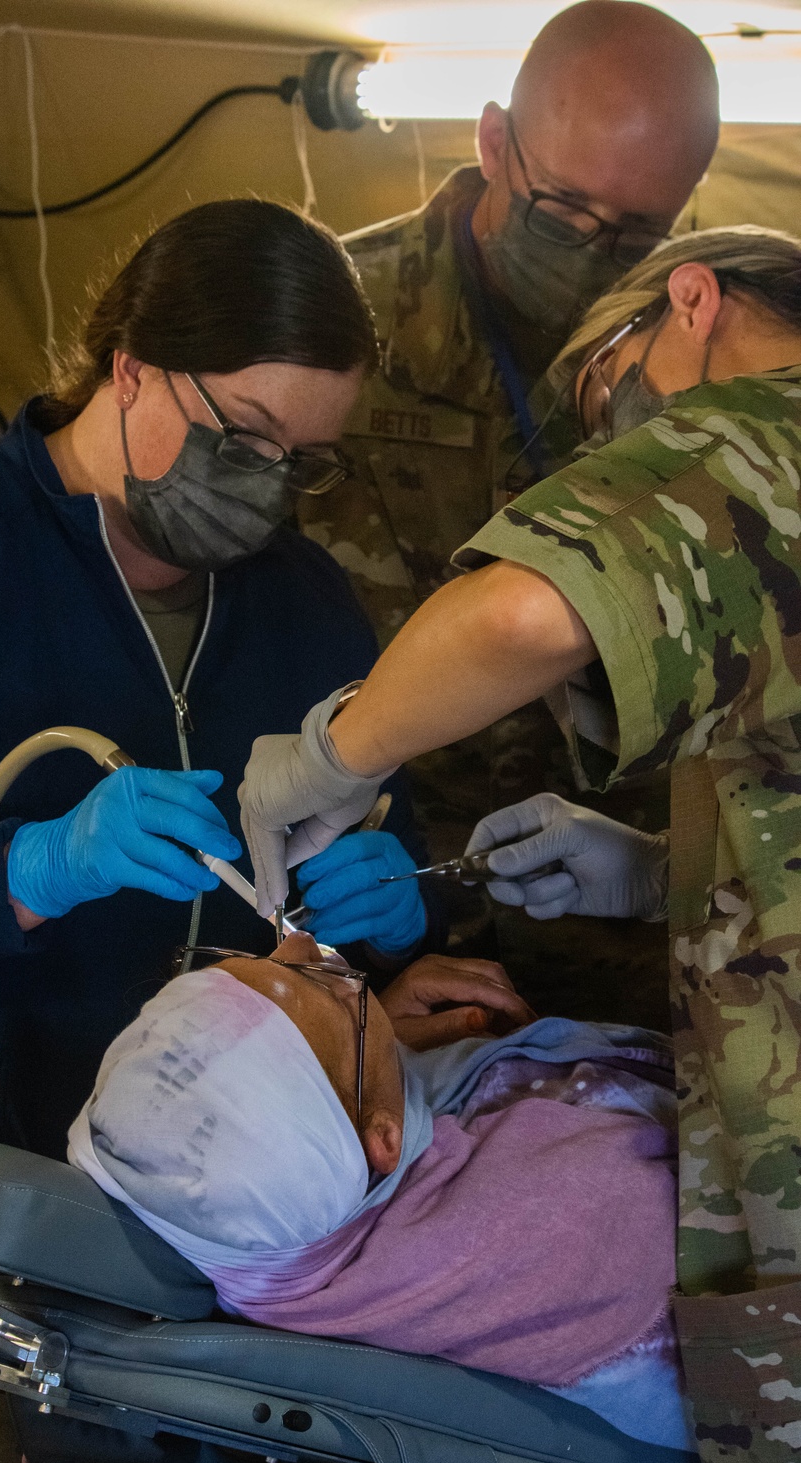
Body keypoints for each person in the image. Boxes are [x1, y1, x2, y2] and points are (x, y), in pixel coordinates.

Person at [0, 200, 435, 1463]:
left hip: (169, 1282)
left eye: (303, 459)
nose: (265, 487)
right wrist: (26, 872)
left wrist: (390, 904)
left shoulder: (306, 607)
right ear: (130, 363)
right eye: (241, 437)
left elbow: (354, 871)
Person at [237, 224, 801, 1463]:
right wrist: (666, 870)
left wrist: (340, 753)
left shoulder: (764, 430)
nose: (623, 448)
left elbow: (523, 609)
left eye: (617, 395)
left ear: (694, 303)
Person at [298, 0, 721, 1026]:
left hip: (642, 944)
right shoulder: (328, 320)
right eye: (563, 208)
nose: (590, 249)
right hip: (374, 924)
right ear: (494, 143)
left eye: (634, 231)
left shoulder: (712, 357)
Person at [70, 930, 691, 1451]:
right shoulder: (582, 1220)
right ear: (383, 1140)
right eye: (320, 984)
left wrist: (367, 1039)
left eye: (253, 964)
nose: (298, 941)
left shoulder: (276, 1233)